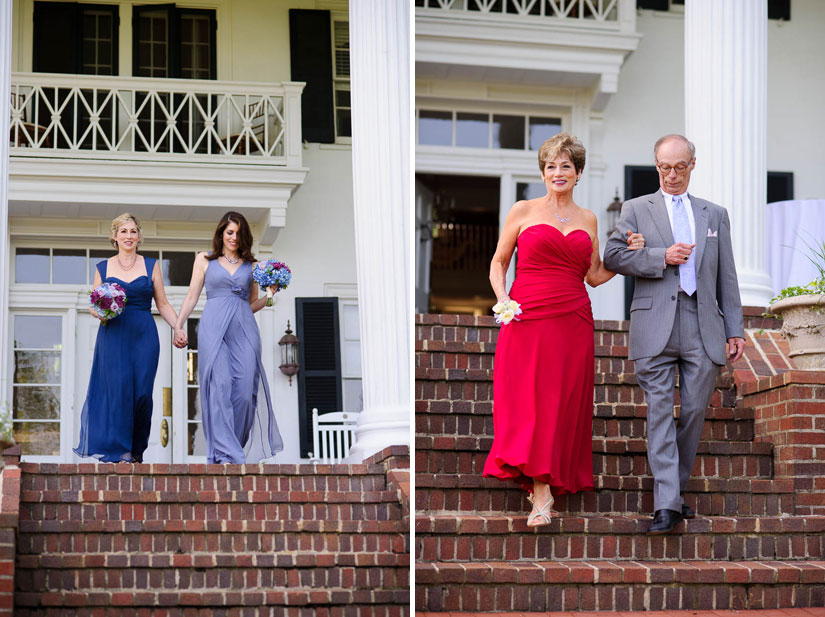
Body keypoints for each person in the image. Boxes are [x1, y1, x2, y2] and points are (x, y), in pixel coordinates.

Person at [482, 133, 645, 526]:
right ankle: (541, 492)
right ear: (543, 173)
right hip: (527, 316)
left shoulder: (588, 219)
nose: (558, 172)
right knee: (529, 400)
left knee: (560, 402)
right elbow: (499, 262)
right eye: (551, 166)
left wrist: (631, 255)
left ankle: (546, 485)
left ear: (578, 173)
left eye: (566, 166)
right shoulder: (522, 211)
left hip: (573, 317)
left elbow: (594, 275)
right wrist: (503, 299)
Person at [603, 134, 746, 535]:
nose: (671, 175)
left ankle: (673, 490)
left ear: (692, 165)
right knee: (661, 412)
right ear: (656, 166)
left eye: (679, 167)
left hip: (703, 324)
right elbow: (612, 256)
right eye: (664, 167)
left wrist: (735, 328)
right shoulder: (635, 209)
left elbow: (728, 276)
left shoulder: (714, 214)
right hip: (654, 324)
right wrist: (657, 257)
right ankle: (667, 504)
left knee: (695, 412)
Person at [175, 211, 283, 463]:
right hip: (214, 328)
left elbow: (251, 303)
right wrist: (178, 325)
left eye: (238, 233)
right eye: (229, 232)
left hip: (244, 329)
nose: (233, 238)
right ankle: (226, 453)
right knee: (220, 386)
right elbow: (192, 296)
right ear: (221, 233)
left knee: (246, 393)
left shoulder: (252, 266)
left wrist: (270, 295)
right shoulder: (204, 259)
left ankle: (234, 446)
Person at [75, 213, 180, 463]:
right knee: (119, 390)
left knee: (143, 394)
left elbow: (163, 304)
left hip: (144, 333)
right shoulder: (103, 267)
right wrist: (103, 311)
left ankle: (137, 450)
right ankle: (121, 452)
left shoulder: (151, 265)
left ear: (139, 237)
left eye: (133, 231)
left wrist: (178, 327)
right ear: (114, 237)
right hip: (113, 333)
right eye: (123, 231)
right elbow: (93, 305)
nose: (129, 236)